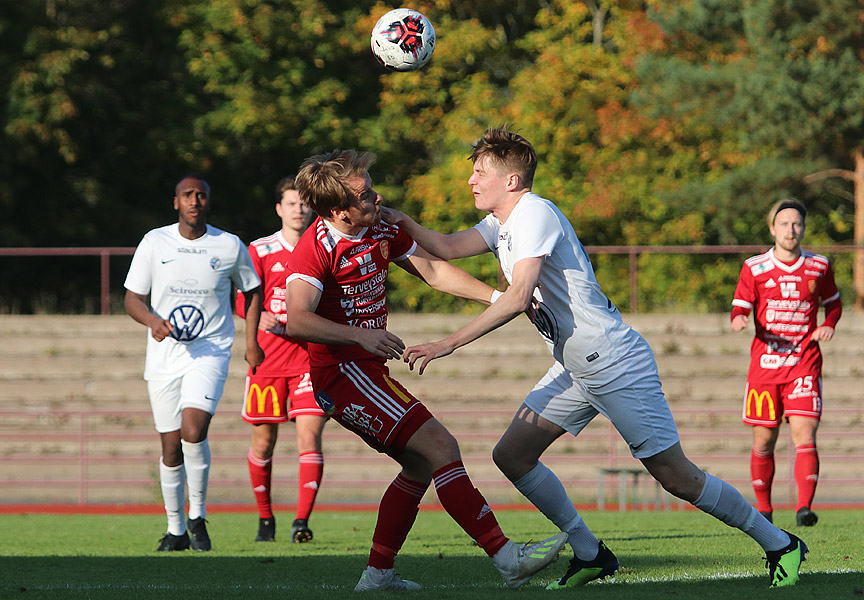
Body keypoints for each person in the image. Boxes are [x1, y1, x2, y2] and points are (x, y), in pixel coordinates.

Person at [383, 126, 808, 589]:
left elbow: (519, 296)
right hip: (575, 367)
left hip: (613, 361)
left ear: (511, 181)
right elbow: (445, 247)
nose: (471, 181)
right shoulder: (502, 223)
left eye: (480, 171)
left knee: (677, 478)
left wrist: (448, 343)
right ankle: (590, 552)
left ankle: (780, 543)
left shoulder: (534, 213)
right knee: (513, 455)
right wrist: (397, 219)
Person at [284, 149, 567, 591]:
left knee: (418, 466)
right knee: (440, 445)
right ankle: (505, 556)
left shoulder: (377, 228)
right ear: (338, 210)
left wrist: (498, 299)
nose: (377, 198)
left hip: (367, 370)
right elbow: (297, 319)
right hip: (342, 375)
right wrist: (359, 335)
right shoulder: (315, 249)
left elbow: (434, 270)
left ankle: (377, 574)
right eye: (365, 195)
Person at [124, 174, 264, 552]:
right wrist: (153, 321)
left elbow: (253, 291)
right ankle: (175, 530)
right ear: (176, 202)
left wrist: (251, 342)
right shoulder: (155, 242)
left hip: (210, 351)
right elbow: (132, 298)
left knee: (193, 430)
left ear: (208, 202)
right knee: (170, 448)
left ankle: (197, 517)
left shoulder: (229, 245)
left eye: (201, 195)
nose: (194, 200)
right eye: (187, 195)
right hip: (165, 356)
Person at [731, 199, 842, 527]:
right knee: (764, 439)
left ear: (803, 229)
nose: (791, 230)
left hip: (803, 363)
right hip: (765, 366)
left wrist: (828, 324)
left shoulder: (819, 266)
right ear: (772, 228)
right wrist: (740, 319)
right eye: (784, 224)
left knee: (805, 434)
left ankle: (804, 509)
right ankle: (764, 509)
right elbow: (739, 307)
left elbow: (834, 305)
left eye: (796, 224)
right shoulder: (755, 267)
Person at [235, 177, 327, 543]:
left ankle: (301, 522)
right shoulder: (259, 249)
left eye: (304, 203)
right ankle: (265, 518)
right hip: (268, 362)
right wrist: (258, 317)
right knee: (263, 442)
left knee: (310, 437)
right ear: (279, 209)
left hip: (308, 359)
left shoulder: (322, 246)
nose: (299, 209)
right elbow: (241, 297)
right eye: (291, 203)